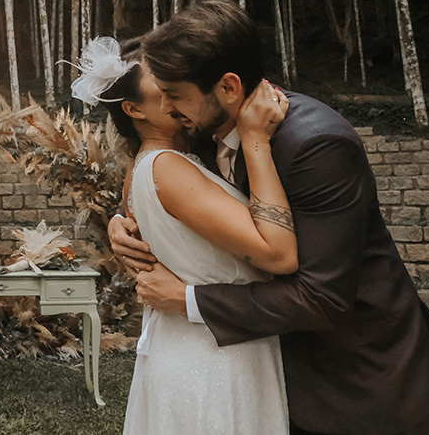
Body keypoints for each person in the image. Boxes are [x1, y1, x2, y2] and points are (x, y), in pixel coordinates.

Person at [110, 0, 429, 435]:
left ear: (228, 88)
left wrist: (188, 299)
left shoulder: (317, 146)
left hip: (355, 377)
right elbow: (177, 183)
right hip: (267, 365)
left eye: (176, 96)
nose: (170, 110)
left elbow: (321, 297)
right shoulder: (204, 128)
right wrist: (124, 220)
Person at [73, 35, 294, 434]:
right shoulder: (167, 168)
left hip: (203, 343)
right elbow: (277, 254)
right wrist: (256, 140)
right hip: (211, 358)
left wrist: (116, 219)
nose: (175, 96)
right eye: (163, 90)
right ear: (133, 109)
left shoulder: (156, 165)